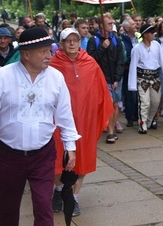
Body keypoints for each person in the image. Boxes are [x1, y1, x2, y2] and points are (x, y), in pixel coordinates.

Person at [0, 27, 80, 226]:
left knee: (44, 208)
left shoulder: (56, 78)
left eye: (49, 50)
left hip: (43, 154)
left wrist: (70, 147)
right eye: (43, 51)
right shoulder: (2, 77)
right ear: (26, 54)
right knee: (8, 209)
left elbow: (65, 115)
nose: (49, 56)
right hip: (8, 156)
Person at [50, 28, 113, 217]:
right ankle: (59, 189)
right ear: (60, 44)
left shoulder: (90, 63)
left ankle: (74, 197)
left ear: (79, 42)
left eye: (75, 40)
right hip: (59, 121)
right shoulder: (53, 64)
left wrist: (98, 114)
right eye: (67, 40)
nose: (71, 43)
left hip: (85, 120)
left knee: (82, 157)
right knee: (56, 157)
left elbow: (101, 90)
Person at [128, 24, 163, 134]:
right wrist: (132, 84)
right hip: (142, 78)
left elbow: (162, 60)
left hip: (155, 77)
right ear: (145, 35)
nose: (153, 35)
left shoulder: (156, 45)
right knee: (144, 102)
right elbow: (133, 66)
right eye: (151, 33)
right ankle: (142, 123)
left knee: (156, 101)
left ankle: (150, 119)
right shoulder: (137, 49)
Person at [87, 14, 124, 144]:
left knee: (115, 104)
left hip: (115, 78)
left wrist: (117, 78)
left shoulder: (116, 39)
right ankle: (109, 132)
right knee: (107, 105)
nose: (112, 25)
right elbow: (91, 60)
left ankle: (111, 129)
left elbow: (120, 60)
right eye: (109, 23)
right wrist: (102, 48)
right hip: (101, 78)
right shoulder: (94, 40)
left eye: (112, 23)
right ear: (102, 25)